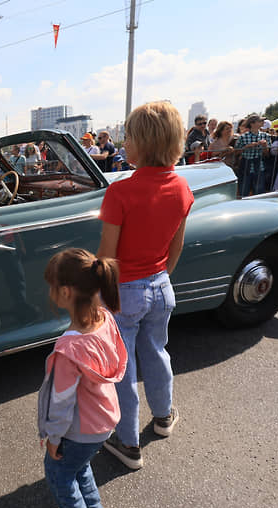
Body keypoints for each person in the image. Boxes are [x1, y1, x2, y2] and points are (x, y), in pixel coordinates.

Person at [97, 101, 194, 470]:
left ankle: (127, 441)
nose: (124, 142)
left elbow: (108, 256)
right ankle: (164, 416)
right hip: (161, 285)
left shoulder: (121, 192)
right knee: (157, 353)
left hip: (124, 290)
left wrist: (98, 295)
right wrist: (160, 275)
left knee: (123, 368)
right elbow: (176, 245)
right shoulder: (182, 187)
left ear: (145, 143)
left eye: (129, 136)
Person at [38, 248, 127, 508]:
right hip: (104, 421)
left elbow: (61, 403)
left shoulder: (69, 350)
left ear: (64, 292)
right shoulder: (104, 319)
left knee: (59, 474)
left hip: (79, 430)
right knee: (79, 467)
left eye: (52, 287)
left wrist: (52, 438)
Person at [234, 114, 270, 196]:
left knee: (258, 192)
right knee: (244, 192)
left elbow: (267, 154)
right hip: (245, 166)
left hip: (259, 166)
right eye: (260, 121)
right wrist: (246, 147)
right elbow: (236, 152)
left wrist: (265, 147)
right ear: (252, 124)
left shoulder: (266, 136)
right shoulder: (243, 137)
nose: (263, 122)